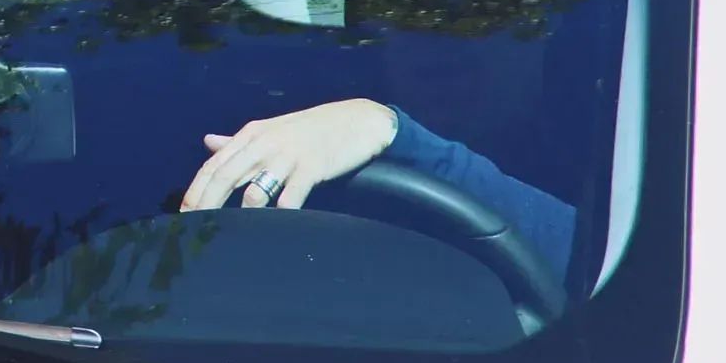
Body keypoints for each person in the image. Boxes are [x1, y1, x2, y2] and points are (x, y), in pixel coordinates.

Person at [176, 97, 576, 276]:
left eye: (483, 12)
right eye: (415, 15)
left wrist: (389, 130)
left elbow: (609, 277)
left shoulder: (621, 154)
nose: (438, 40)